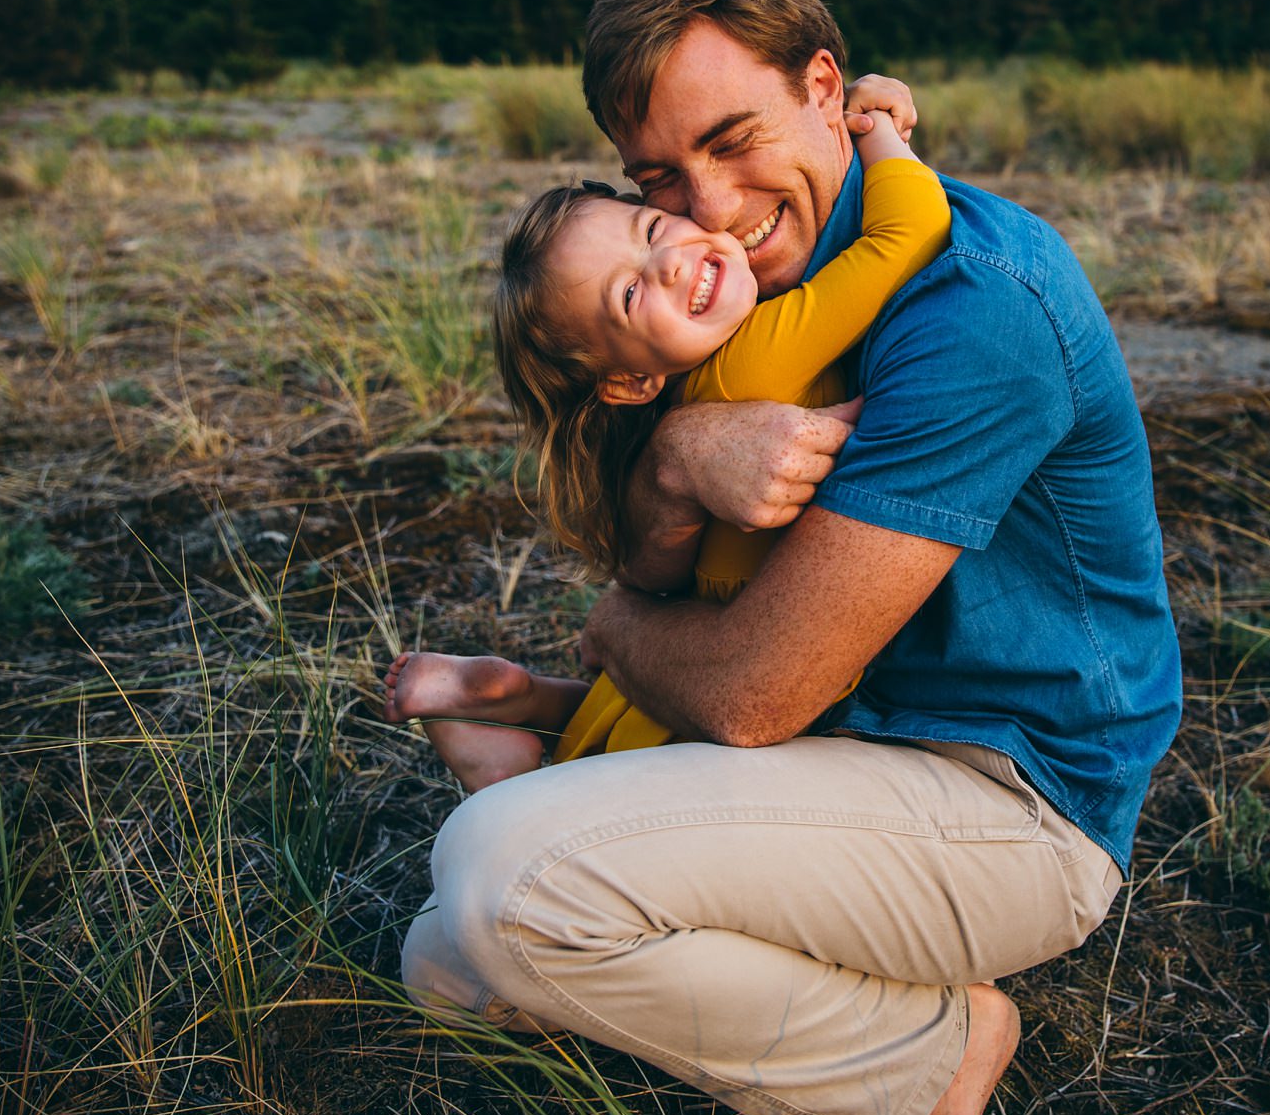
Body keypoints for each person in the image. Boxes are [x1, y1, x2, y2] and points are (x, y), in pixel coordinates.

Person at [395, 0, 1182, 1115]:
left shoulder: (974, 307)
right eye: (657, 178)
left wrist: (615, 626)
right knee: (440, 964)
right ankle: (815, 977)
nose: (710, 211)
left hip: (1007, 803)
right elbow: (688, 573)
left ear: (824, 89)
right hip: (834, 750)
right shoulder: (722, 325)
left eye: (731, 141)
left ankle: (927, 1055)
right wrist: (670, 462)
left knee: (508, 880)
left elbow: (753, 691)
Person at [380, 90, 948, 788]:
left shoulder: (693, 383)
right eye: (627, 295)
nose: (670, 264)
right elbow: (911, 230)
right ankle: (502, 773)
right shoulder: (759, 358)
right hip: (726, 688)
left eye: (651, 231)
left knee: (603, 731)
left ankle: (521, 705)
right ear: (628, 381)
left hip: (685, 648)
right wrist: (878, 129)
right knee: (578, 807)